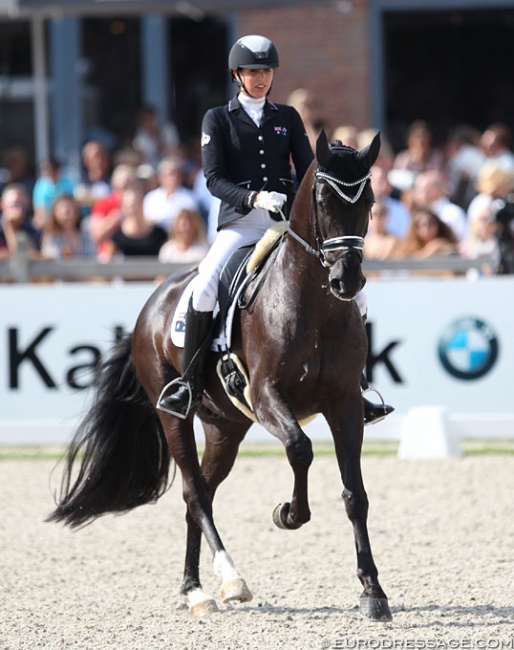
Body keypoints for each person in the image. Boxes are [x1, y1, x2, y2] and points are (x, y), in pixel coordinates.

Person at [158, 34, 391, 427]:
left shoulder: (287, 118)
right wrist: (252, 199)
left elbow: (306, 170)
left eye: (266, 71)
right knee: (204, 287)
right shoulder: (217, 118)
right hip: (240, 223)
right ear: (238, 75)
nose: (261, 78)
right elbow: (213, 178)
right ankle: (189, 383)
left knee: (359, 296)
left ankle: (357, 385)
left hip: (286, 223)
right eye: (252, 72)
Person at [103, 184, 167, 259]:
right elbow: (109, 263)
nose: (132, 209)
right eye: (128, 206)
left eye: (135, 204)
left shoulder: (159, 234)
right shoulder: (116, 236)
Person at [88, 163, 137, 260]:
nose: (123, 190)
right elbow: (95, 235)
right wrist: (112, 220)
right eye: (120, 187)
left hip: (134, 252)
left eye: (127, 186)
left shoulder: (140, 203)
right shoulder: (103, 203)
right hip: (108, 256)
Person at [143, 155, 199, 233]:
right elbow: (146, 222)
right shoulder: (150, 198)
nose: (174, 177)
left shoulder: (189, 198)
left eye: (177, 173)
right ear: (161, 177)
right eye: (171, 174)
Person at [411, 169, 468, 242]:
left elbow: (463, 242)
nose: (417, 194)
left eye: (421, 190)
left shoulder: (453, 214)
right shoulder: (417, 212)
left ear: (433, 190)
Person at [41, 194, 95, 259]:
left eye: (69, 209)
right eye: (61, 210)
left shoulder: (86, 235)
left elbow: (93, 257)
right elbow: (50, 259)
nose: (66, 215)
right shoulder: (51, 238)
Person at [394, 206, 459, 259]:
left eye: (431, 223)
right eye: (423, 224)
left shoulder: (443, 244)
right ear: (415, 228)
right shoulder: (407, 247)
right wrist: (429, 251)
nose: (427, 228)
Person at [32, 157, 75, 231]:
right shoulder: (41, 184)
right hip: (47, 217)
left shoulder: (67, 183)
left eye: (52, 170)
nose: (49, 173)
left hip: (64, 215)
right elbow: (39, 207)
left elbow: (72, 204)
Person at [132, 104, 180, 170]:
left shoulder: (169, 129)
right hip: (150, 167)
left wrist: (158, 135)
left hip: (169, 164)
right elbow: (141, 158)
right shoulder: (140, 135)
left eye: (150, 118)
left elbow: (172, 152)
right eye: (145, 119)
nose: (148, 122)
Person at [0, 183, 41, 258]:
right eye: (15, 204)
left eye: (22, 204)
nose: (19, 209)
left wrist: (10, 227)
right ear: (2, 204)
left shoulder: (32, 231)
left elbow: (31, 256)